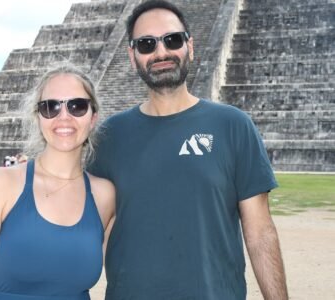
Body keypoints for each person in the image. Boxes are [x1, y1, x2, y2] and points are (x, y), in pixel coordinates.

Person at [88, 1, 288, 299]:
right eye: (146, 44)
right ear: (132, 56)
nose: (161, 52)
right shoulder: (108, 136)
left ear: (190, 47)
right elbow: (88, 228)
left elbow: (259, 232)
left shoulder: (233, 125)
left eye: (173, 39)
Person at [0, 65, 116, 300]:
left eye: (77, 106)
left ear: (93, 118)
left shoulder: (104, 195)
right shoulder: (3, 184)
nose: (64, 117)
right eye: (50, 107)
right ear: (38, 117)